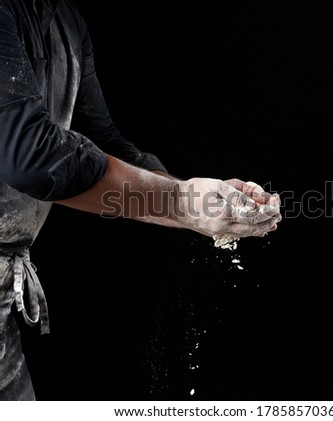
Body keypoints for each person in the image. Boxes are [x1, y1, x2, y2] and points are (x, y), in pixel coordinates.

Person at [0, 0, 281, 400]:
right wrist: (182, 201)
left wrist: (207, 206)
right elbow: (31, 156)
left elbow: (103, 143)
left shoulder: (66, 22)